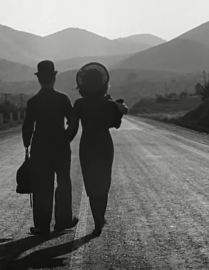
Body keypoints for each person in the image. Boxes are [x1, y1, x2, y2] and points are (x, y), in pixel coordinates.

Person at [68, 62, 128, 236]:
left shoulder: (79, 104)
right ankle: (99, 219)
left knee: (91, 182)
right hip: (104, 144)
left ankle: (97, 218)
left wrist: (61, 142)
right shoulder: (108, 104)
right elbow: (115, 124)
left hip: (87, 145)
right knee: (103, 181)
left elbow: (72, 130)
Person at [22, 60, 78, 236]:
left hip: (40, 148)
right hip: (60, 146)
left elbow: (27, 126)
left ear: (39, 79)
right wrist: (66, 138)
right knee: (63, 182)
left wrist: (26, 144)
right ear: (54, 78)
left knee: (41, 186)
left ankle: (42, 225)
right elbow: (74, 122)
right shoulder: (62, 99)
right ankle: (63, 221)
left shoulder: (34, 102)